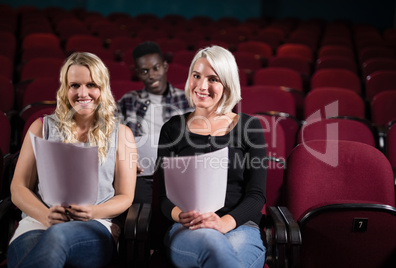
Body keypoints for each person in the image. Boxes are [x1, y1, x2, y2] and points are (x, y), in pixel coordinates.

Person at [7, 52, 137, 268]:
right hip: (39, 221)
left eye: (91, 85)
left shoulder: (122, 134)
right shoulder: (41, 127)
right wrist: (46, 215)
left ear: (102, 89)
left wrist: (93, 212)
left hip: (94, 223)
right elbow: (18, 188)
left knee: (57, 237)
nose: (82, 93)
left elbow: (125, 196)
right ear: (65, 89)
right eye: (75, 85)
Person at [156, 45, 267, 267]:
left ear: (227, 84)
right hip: (189, 227)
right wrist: (180, 215)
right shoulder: (173, 128)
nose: (201, 86)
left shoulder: (250, 127)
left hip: (240, 226)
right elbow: (162, 197)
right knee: (216, 252)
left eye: (213, 79)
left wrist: (224, 223)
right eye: (196, 76)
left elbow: (256, 195)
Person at [117, 41, 192, 204]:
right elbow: (112, 136)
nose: (151, 76)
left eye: (155, 68)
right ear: (137, 72)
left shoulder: (186, 101)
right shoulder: (129, 101)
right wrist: (125, 158)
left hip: (178, 173)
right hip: (139, 175)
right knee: (134, 200)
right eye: (144, 71)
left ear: (165, 66)